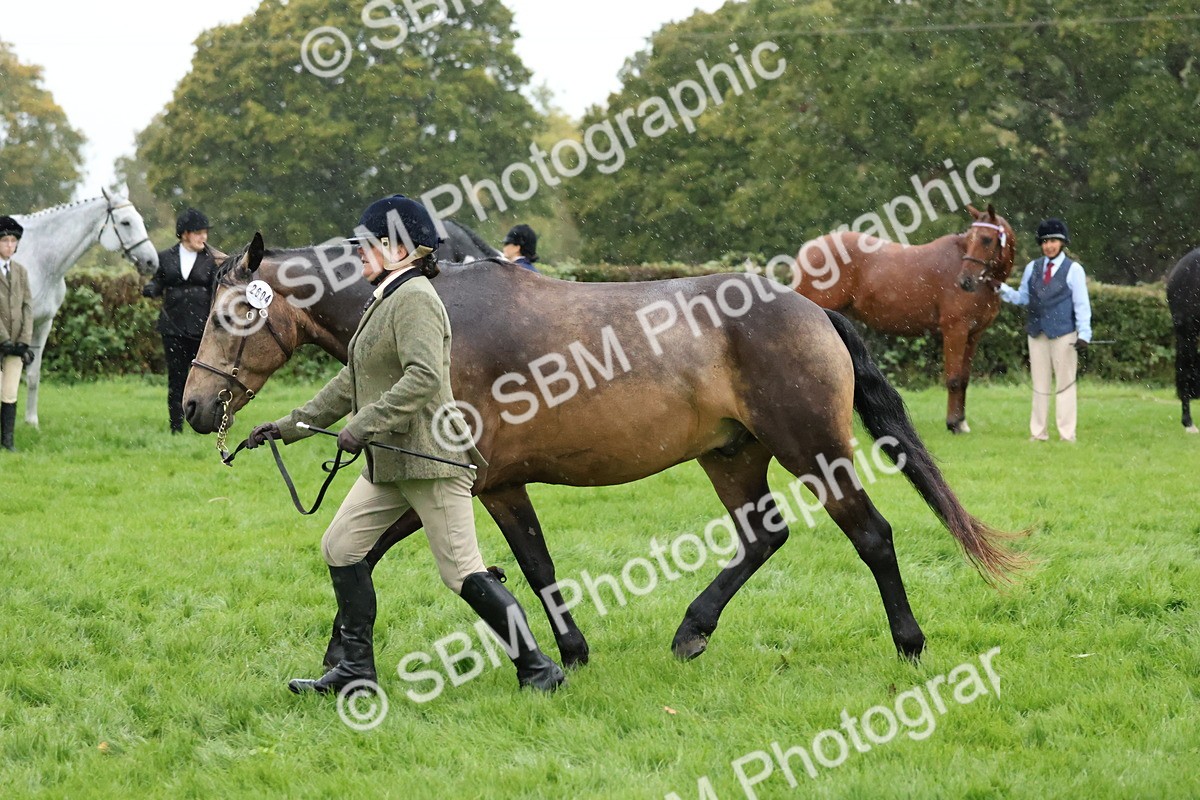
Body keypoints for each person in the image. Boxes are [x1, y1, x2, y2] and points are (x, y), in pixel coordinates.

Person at [246, 195, 564, 696]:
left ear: (401, 250)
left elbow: (422, 377)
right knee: (341, 547)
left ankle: (538, 668)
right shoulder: (385, 299)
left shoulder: (415, 298)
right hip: (391, 461)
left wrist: (364, 424)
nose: (358, 255)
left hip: (431, 458)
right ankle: (355, 672)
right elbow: (353, 379)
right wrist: (288, 425)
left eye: (366, 246)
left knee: (462, 574)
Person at [1000, 217, 1092, 442]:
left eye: (1053, 241)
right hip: (1037, 333)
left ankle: (1066, 433)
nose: (1048, 245)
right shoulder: (1033, 267)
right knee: (1040, 386)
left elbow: (1082, 304)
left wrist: (1084, 333)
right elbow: (1023, 297)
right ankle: (1038, 432)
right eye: (1045, 241)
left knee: (1065, 384)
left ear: (1062, 243)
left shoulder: (1074, 270)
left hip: (1064, 334)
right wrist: (1000, 288)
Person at [143, 209, 218, 434]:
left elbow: (216, 290)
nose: (204, 238)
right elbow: (158, 283)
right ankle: (176, 427)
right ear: (185, 234)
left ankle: (203, 422)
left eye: (205, 233)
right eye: (199, 233)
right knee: (176, 379)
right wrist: (150, 289)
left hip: (202, 328)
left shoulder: (212, 259)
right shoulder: (165, 258)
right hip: (173, 327)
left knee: (204, 379)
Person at [0, 216, 35, 452]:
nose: (10, 245)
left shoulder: (21, 272)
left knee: (10, 392)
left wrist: (23, 341)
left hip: (16, 344)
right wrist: (3, 340)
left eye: (13, 241)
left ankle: (8, 441)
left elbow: (27, 307)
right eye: (5, 240)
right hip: (2, 341)